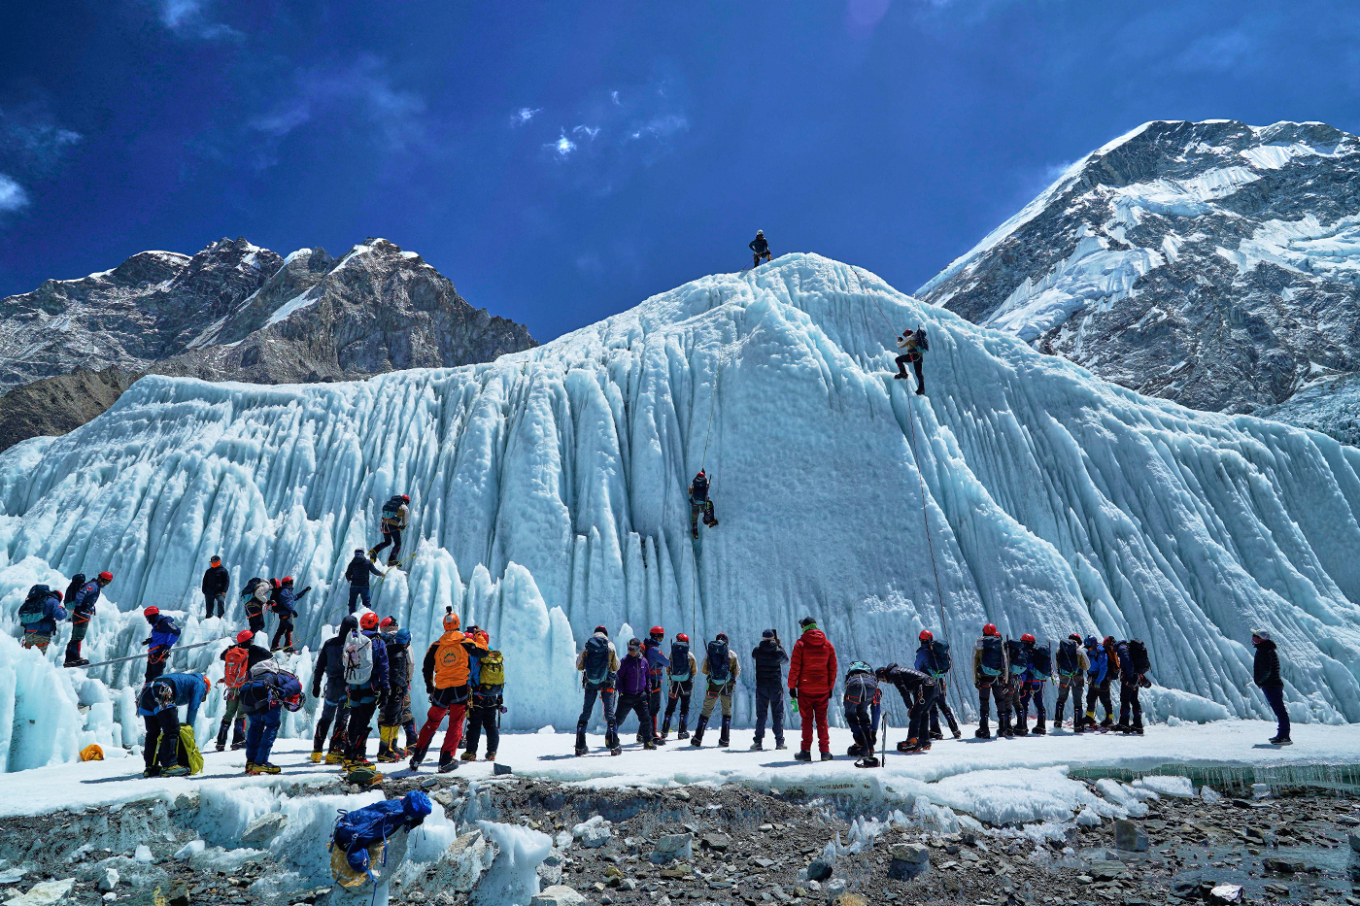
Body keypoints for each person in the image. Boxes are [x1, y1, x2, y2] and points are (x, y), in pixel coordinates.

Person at [411, 610, 486, 772]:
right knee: (455, 724)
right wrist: (478, 634)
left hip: (441, 690)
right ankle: (445, 760)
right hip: (459, 689)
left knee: (432, 722)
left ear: (444, 625)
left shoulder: (436, 645)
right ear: (457, 624)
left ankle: (416, 758)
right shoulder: (465, 642)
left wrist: (430, 688)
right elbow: (483, 651)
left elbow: (427, 668)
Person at [238, 656, 304, 774]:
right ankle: (261, 763)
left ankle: (251, 762)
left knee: (255, 726)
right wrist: (281, 693)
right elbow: (296, 685)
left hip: (245, 693)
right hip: (264, 692)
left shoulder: (256, 676)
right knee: (272, 725)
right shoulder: (284, 676)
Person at [137, 672, 208, 778]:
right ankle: (170, 765)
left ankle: (150, 766)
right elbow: (193, 707)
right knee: (172, 730)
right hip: (161, 691)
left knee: (152, 733)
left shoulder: (185, 678)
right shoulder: (200, 683)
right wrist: (189, 726)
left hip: (146, 692)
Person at [343, 612, 391, 769]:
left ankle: (348, 756)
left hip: (353, 686)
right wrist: (385, 689)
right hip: (369, 686)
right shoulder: (377, 642)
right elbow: (383, 668)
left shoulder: (355, 640)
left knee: (354, 720)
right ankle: (359, 757)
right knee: (363, 722)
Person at [788, 616, 838, 762]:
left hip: (805, 689)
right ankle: (825, 752)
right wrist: (830, 687)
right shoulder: (828, 645)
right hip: (823, 689)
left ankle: (805, 751)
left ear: (804, 627)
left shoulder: (800, 644)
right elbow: (832, 669)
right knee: (822, 720)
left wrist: (792, 686)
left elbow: (795, 668)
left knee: (807, 720)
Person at [311, 615, 359, 763]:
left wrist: (316, 685)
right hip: (347, 686)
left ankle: (317, 750)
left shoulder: (329, 644)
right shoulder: (354, 645)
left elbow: (319, 667)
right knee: (342, 717)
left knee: (326, 717)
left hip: (331, 685)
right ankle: (335, 750)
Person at [217, 629, 271, 751]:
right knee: (241, 714)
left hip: (232, 686)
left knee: (229, 714)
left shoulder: (233, 650)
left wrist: (234, 649)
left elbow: (222, 656)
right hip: (245, 686)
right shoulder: (254, 650)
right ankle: (238, 741)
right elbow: (268, 655)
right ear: (250, 640)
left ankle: (220, 742)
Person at [575, 625, 622, 756]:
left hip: (590, 682)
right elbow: (616, 666)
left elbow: (579, 665)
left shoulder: (588, 646)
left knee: (586, 711)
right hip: (607, 683)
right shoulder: (610, 646)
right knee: (609, 713)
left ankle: (580, 745)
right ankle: (613, 745)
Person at [377, 616, 416, 763]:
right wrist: (407, 681)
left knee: (385, 715)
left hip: (383, 686)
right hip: (399, 684)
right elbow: (410, 663)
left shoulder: (381, 641)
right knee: (404, 713)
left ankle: (389, 746)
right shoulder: (403, 642)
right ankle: (410, 743)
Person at [692, 632, 740, 748]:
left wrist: (714, 674)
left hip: (713, 685)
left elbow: (704, 670)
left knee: (706, 710)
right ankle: (725, 739)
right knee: (726, 711)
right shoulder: (732, 654)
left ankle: (697, 738)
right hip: (727, 686)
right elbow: (737, 672)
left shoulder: (710, 653)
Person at [462, 627, 503, 762]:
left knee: (474, 725)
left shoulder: (475, 655)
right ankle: (492, 752)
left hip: (477, 695)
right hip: (492, 695)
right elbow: (500, 677)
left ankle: (471, 753)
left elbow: (469, 676)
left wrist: (467, 690)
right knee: (491, 725)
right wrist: (500, 695)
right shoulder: (494, 655)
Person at [877, 663, 937, 753]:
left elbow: (903, 691)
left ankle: (912, 741)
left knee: (915, 713)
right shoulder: (900, 671)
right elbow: (915, 688)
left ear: (884, 673)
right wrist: (913, 707)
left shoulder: (894, 673)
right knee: (923, 713)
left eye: (882, 678)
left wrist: (910, 708)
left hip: (926, 687)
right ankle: (924, 741)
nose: (884, 681)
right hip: (932, 686)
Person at [914, 630, 956, 741]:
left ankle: (936, 731)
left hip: (928, 683)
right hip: (939, 680)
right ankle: (955, 729)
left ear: (921, 640)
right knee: (943, 705)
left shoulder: (922, 652)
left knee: (932, 707)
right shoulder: (937, 650)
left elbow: (917, 668)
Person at [750, 629, 788, 751]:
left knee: (761, 715)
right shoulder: (777, 651)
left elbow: (754, 656)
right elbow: (786, 660)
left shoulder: (757, 651)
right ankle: (779, 742)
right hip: (775, 687)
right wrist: (779, 646)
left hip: (762, 686)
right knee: (777, 714)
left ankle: (758, 742)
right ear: (773, 638)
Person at [615, 639, 657, 750]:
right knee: (618, 719)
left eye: (633, 649)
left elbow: (647, 677)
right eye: (630, 649)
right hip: (627, 696)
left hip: (640, 696)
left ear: (639, 649)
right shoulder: (624, 661)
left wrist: (648, 691)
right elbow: (619, 678)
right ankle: (610, 738)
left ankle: (648, 742)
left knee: (646, 720)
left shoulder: (644, 662)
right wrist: (621, 692)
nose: (631, 651)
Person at [63, 571, 111, 667]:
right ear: (100, 578)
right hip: (81, 613)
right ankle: (73, 658)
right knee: (78, 637)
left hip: (82, 612)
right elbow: (82, 593)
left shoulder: (94, 586)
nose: (105, 584)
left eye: (107, 582)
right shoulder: (93, 586)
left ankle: (71, 658)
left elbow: (87, 599)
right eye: (105, 581)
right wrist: (78, 607)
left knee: (77, 636)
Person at [972, 623, 1010, 739]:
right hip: (998, 677)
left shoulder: (979, 643)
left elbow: (974, 663)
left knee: (984, 702)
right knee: (1000, 702)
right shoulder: (999, 643)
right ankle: (1003, 729)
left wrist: (976, 680)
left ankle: (984, 730)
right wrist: (1005, 679)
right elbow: (1005, 662)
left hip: (984, 678)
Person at [1252, 629, 1290, 746]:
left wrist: (1259, 680)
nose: (1253, 639)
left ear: (1261, 640)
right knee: (1279, 710)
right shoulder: (1266, 649)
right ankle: (1282, 735)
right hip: (1272, 684)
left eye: (1255, 637)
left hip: (1271, 685)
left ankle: (1284, 736)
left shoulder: (1264, 651)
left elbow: (1266, 670)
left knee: (1280, 710)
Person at [843, 661, 881, 766]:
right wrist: (873, 731)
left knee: (850, 714)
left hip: (854, 686)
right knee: (862, 713)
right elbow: (876, 710)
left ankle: (861, 743)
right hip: (870, 687)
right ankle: (869, 745)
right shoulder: (871, 674)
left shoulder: (851, 673)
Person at [661, 632, 697, 741]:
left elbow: (668, 669)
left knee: (670, 708)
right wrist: (687, 677)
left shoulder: (671, 654)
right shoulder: (690, 656)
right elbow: (694, 671)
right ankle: (682, 732)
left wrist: (673, 677)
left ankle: (664, 731)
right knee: (684, 708)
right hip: (686, 684)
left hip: (674, 685)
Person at [1053, 633, 1089, 732]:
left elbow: (1057, 664)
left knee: (1061, 699)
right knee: (1077, 701)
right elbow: (1087, 666)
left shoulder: (1059, 649)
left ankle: (1057, 722)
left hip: (1064, 678)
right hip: (1077, 678)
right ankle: (1078, 725)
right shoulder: (1079, 650)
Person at [1114, 638, 1150, 735]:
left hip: (1129, 678)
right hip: (1136, 677)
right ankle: (1138, 724)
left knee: (1125, 700)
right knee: (1134, 700)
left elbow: (1129, 663)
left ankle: (1124, 723)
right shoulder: (1129, 648)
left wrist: (1129, 678)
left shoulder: (1122, 649)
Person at [18, 583, 67, 654]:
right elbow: (59, 616)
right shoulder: (53, 601)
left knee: (27, 656)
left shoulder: (37, 600)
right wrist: (64, 611)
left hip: (28, 633)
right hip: (41, 634)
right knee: (38, 657)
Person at [269, 576, 311, 653]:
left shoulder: (287, 591)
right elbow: (286, 602)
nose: (292, 584)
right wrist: (293, 611)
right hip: (285, 614)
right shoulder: (285, 591)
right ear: (288, 583)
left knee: (281, 630)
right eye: (291, 582)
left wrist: (304, 591)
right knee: (289, 627)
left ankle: (274, 646)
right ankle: (288, 646)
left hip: (283, 614)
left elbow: (295, 597)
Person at [642, 627, 669, 745]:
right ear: (657, 636)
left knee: (647, 707)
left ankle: (641, 734)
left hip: (646, 681)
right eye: (661, 636)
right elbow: (667, 663)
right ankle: (652, 734)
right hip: (654, 681)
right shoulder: (655, 650)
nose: (661, 639)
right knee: (654, 708)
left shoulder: (647, 647)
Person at [1083, 636, 1117, 730]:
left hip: (1103, 679)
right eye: (1087, 647)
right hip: (1093, 678)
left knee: (1105, 699)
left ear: (1094, 645)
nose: (1088, 649)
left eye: (1089, 647)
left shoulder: (1101, 653)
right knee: (1090, 698)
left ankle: (1109, 719)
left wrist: (1099, 680)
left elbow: (1104, 668)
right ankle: (1089, 717)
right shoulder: (1089, 653)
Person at [370, 494, 410, 567]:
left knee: (387, 542)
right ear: (406, 501)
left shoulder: (391, 504)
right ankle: (392, 559)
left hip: (384, 525)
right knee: (398, 543)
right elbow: (406, 519)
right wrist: (403, 525)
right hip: (392, 526)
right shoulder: (404, 507)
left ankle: (374, 551)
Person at [1023, 635, 1052, 736]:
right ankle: (1041, 726)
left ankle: (1022, 726)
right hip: (1039, 682)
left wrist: (1022, 682)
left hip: (1029, 682)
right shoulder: (1037, 652)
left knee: (1023, 703)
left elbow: (1027, 668)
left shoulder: (1026, 653)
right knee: (1039, 703)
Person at [143, 606, 182, 682]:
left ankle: (157, 689)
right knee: (149, 676)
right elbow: (161, 637)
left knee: (156, 677)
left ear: (152, 616)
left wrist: (168, 646)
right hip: (153, 653)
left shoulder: (164, 623)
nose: (147, 621)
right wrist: (151, 640)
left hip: (159, 653)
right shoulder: (157, 624)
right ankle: (148, 689)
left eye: (148, 618)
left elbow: (177, 631)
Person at [345, 548, 385, 614]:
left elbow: (347, 574)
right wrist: (381, 574)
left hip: (354, 586)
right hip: (364, 586)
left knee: (352, 603)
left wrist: (349, 579)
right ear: (363, 554)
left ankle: (352, 615)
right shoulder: (368, 562)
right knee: (366, 603)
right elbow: (374, 571)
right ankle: (367, 616)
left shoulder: (352, 563)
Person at [894, 327, 928, 395]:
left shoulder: (909, 338)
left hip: (913, 356)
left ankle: (903, 373)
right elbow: (910, 345)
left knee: (898, 359)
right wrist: (903, 341)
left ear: (908, 334)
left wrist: (899, 341)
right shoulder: (916, 339)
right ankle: (921, 389)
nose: (905, 336)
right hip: (919, 357)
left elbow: (899, 345)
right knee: (919, 374)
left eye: (905, 334)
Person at [688, 471, 718, 540]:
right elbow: (707, 488)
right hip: (704, 503)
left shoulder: (694, 483)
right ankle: (710, 521)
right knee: (709, 506)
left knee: (694, 519)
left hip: (695, 504)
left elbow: (689, 491)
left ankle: (695, 532)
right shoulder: (705, 481)